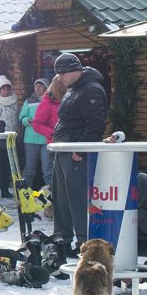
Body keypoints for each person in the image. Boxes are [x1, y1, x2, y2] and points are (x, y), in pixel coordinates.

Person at [50, 52, 107, 251]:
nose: (60, 78)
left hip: (75, 149)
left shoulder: (91, 89)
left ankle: (83, 240)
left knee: (77, 197)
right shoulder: (74, 87)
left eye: (62, 73)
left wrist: (81, 149)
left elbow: (96, 123)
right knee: (62, 196)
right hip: (65, 147)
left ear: (74, 71)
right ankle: (62, 237)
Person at [29, 76, 64, 188]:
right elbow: (36, 124)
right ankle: (52, 201)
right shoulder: (47, 102)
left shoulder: (67, 99)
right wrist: (53, 133)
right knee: (50, 174)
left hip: (67, 144)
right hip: (53, 144)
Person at [17, 78, 50, 192]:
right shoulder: (29, 101)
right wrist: (28, 120)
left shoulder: (51, 100)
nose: (38, 88)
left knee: (47, 168)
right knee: (29, 168)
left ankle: (50, 192)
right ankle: (25, 192)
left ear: (46, 87)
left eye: (41, 86)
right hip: (31, 138)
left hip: (46, 138)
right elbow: (21, 118)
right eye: (36, 86)